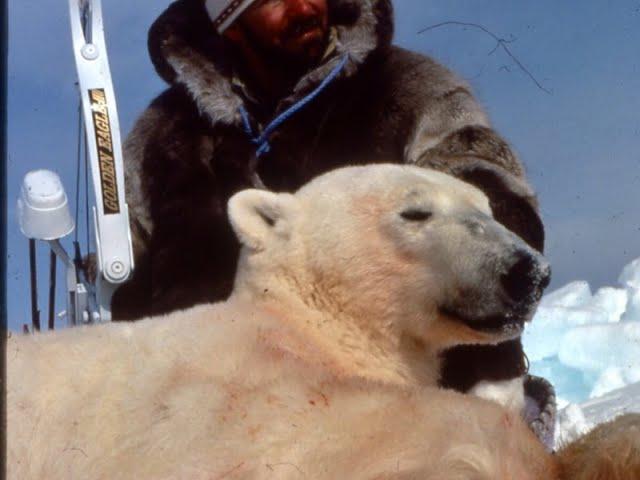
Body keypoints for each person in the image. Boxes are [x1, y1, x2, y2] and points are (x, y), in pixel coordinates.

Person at [113, 0, 553, 440]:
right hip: (228, 425)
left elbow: (496, 200)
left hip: (432, 407)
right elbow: (129, 288)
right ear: (228, 22)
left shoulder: (410, 89)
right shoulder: (165, 138)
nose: (304, 6)